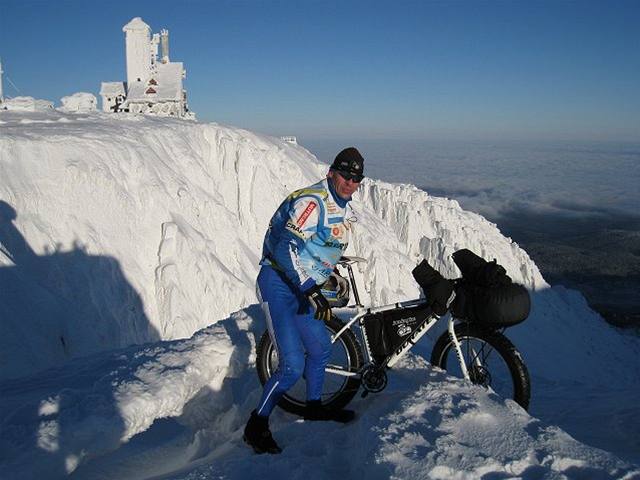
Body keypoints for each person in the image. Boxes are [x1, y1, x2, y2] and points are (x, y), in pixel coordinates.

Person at [243, 147, 365, 454]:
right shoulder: (313, 202)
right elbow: (285, 250)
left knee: (321, 348)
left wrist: (330, 267)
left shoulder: (340, 204)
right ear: (331, 173)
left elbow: (315, 245)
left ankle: (313, 407)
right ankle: (256, 425)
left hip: (301, 286)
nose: (350, 182)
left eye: (356, 178)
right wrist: (311, 288)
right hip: (279, 284)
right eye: (346, 175)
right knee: (292, 366)